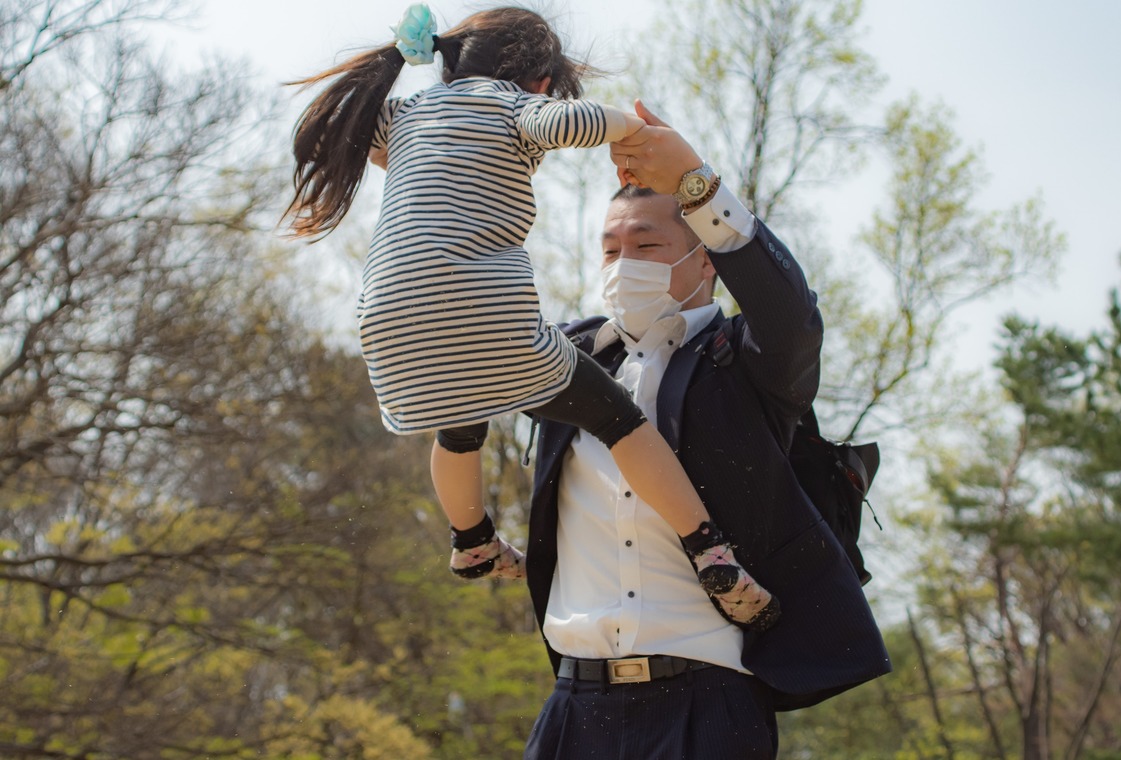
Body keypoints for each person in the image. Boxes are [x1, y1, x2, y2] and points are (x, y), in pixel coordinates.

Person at [281, 5, 779, 631]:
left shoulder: (405, 115)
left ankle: (472, 541)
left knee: (460, 420)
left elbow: (336, 136)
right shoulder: (514, 106)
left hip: (387, 324)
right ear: (540, 81)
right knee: (618, 420)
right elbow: (582, 121)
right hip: (485, 310)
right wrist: (637, 134)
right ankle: (710, 554)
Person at [522, 101, 892, 759]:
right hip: (573, 710)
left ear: (705, 261)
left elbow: (792, 320)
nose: (623, 264)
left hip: (708, 705)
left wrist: (697, 184)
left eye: (647, 245)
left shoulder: (744, 364)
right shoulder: (568, 361)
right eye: (610, 249)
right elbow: (459, 345)